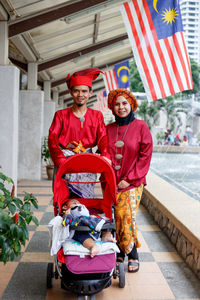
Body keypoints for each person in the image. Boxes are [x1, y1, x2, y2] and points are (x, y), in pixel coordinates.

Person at [106, 89, 153, 273]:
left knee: (125, 214)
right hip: (111, 181)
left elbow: (145, 156)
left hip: (134, 181)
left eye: (125, 103)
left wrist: (129, 179)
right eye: (117, 104)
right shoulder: (108, 129)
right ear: (112, 107)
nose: (121, 107)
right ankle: (120, 251)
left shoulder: (141, 126)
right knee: (117, 216)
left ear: (131, 105)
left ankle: (132, 253)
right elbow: (104, 152)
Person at [48, 68, 111, 198]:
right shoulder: (60, 115)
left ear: (90, 93)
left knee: (85, 201)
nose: (80, 94)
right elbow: (52, 138)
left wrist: (105, 154)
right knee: (63, 201)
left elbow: (103, 137)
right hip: (64, 161)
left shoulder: (97, 115)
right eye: (76, 90)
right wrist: (60, 159)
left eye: (84, 91)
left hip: (87, 161)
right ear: (71, 92)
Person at [48, 199, 115, 257]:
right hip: (77, 231)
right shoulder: (67, 215)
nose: (77, 204)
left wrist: (93, 218)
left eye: (79, 203)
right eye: (74, 203)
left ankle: (106, 235)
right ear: (65, 207)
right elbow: (65, 223)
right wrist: (67, 214)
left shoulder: (85, 216)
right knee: (83, 237)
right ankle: (93, 246)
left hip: (92, 229)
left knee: (105, 222)